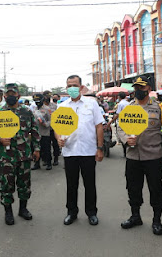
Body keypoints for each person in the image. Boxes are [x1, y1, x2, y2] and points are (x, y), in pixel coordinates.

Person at [118, 76, 162, 235]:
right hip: (133, 157)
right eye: (136, 88)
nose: (138, 91)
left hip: (153, 156)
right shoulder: (128, 108)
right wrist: (125, 139)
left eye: (141, 88)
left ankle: (157, 220)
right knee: (133, 188)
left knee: (156, 189)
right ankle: (135, 216)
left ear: (149, 89)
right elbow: (120, 128)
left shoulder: (159, 108)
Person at [55, 75, 104, 226]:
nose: (72, 88)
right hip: (70, 152)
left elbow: (99, 126)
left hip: (88, 151)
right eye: (69, 85)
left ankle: (91, 213)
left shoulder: (92, 104)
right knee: (71, 185)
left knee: (89, 184)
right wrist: (58, 139)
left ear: (81, 87)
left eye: (75, 85)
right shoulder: (62, 106)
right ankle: (72, 212)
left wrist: (100, 148)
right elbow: (57, 127)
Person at [0, 83, 40, 225]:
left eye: (13, 94)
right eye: (9, 94)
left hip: (24, 154)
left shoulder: (26, 111)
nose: (11, 96)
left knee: (24, 184)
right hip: (7, 156)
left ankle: (23, 209)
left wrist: (37, 149)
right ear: (4, 96)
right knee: (7, 185)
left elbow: (34, 131)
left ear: (18, 95)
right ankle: (8, 212)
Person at [32, 93, 52, 170]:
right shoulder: (34, 109)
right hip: (36, 133)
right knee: (36, 149)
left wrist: (46, 124)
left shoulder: (47, 109)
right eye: (35, 101)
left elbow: (51, 120)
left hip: (45, 132)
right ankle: (36, 163)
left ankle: (48, 163)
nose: (37, 102)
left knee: (46, 149)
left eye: (38, 100)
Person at [106, 92, 129, 157]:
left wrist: (110, 122)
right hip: (129, 122)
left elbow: (117, 114)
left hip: (122, 123)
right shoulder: (129, 103)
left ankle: (125, 152)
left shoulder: (120, 104)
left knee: (122, 137)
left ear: (119, 97)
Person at [49, 93, 61, 166]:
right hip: (46, 129)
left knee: (55, 144)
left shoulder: (56, 106)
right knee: (47, 146)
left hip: (55, 128)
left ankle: (56, 158)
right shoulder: (43, 107)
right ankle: (48, 161)